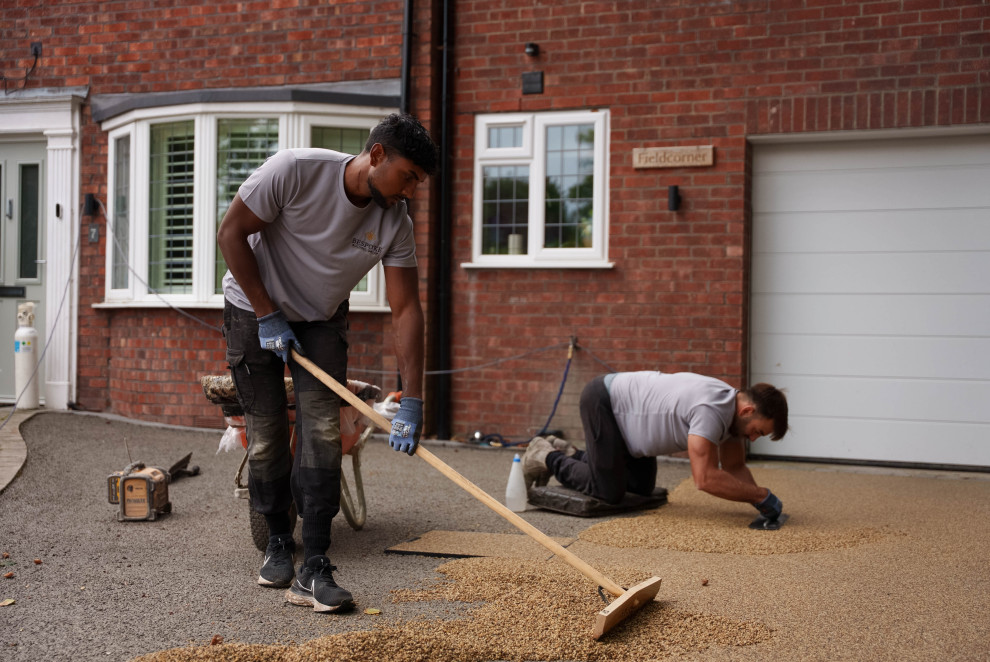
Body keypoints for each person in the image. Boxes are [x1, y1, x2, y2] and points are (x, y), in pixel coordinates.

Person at [217, 113, 439, 613]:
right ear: (377, 155)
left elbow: (406, 309)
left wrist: (414, 398)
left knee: (319, 432)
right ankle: (278, 540)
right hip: (254, 307)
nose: (409, 192)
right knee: (269, 432)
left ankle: (315, 563)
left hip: (320, 317)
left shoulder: (393, 223)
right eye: (407, 177)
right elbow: (231, 234)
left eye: (418, 184)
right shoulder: (294, 171)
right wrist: (268, 314)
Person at [522, 371, 789, 521]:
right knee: (608, 491)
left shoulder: (733, 415)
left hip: (632, 428)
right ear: (747, 411)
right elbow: (705, 478)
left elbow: (734, 466)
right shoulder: (711, 409)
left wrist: (759, 502)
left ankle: (572, 454)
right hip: (605, 401)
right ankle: (546, 455)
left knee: (640, 488)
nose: (752, 439)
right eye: (757, 432)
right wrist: (759, 495)